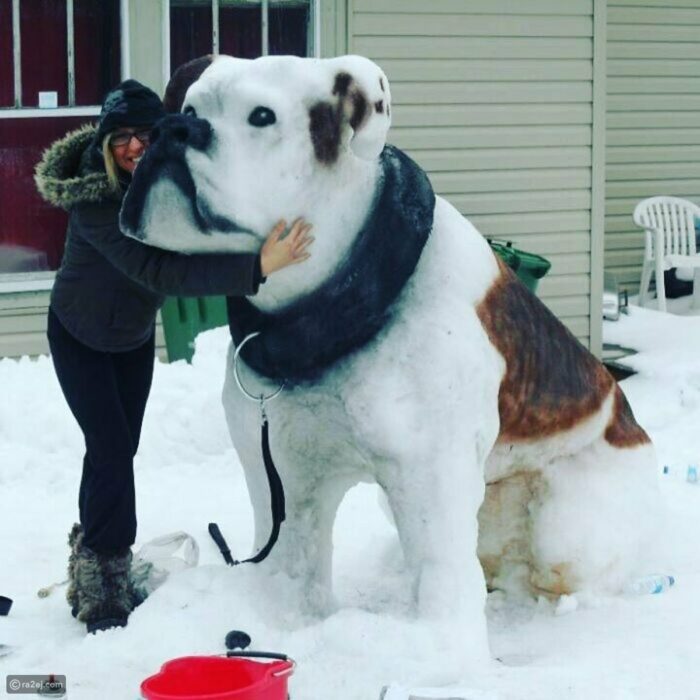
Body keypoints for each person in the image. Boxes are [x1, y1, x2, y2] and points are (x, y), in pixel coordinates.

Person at [34, 79, 313, 633]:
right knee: (110, 448)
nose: (134, 147)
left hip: (131, 338)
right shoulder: (95, 203)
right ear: (106, 143)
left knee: (117, 449)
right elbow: (158, 270)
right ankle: (104, 583)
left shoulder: (162, 187)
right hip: (80, 335)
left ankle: (96, 550)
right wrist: (259, 267)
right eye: (122, 139)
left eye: (145, 135)